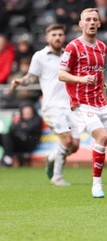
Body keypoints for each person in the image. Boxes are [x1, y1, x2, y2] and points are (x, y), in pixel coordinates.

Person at [58, 8, 107, 198]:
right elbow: (61, 74)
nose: (92, 22)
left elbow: (100, 75)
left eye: (95, 19)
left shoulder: (103, 47)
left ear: (99, 23)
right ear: (81, 24)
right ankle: (96, 184)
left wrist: (104, 97)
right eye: (87, 19)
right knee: (102, 137)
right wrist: (81, 79)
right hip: (82, 104)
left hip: (101, 103)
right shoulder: (73, 47)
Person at [10, 24, 80, 186]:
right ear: (47, 38)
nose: (57, 38)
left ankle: (52, 157)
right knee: (67, 140)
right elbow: (31, 77)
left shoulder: (69, 56)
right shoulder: (39, 56)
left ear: (64, 37)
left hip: (72, 106)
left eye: (60, 35)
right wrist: (21, 81)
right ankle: (57, 177)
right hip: (52, 106)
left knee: (75, 146)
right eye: (53, 35)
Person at [0, 103, 42, 167]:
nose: (27, 113)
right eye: (25, 111)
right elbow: (11, 128)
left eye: (28, 111)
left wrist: (19, 128)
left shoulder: (36, 120)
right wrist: (21, 127)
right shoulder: (20, 121)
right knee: (3, 136)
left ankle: (7, 158)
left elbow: (29, 129)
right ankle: (7, 157)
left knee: (8, 137)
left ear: (32, 111)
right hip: (17, 142)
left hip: (28, 143)